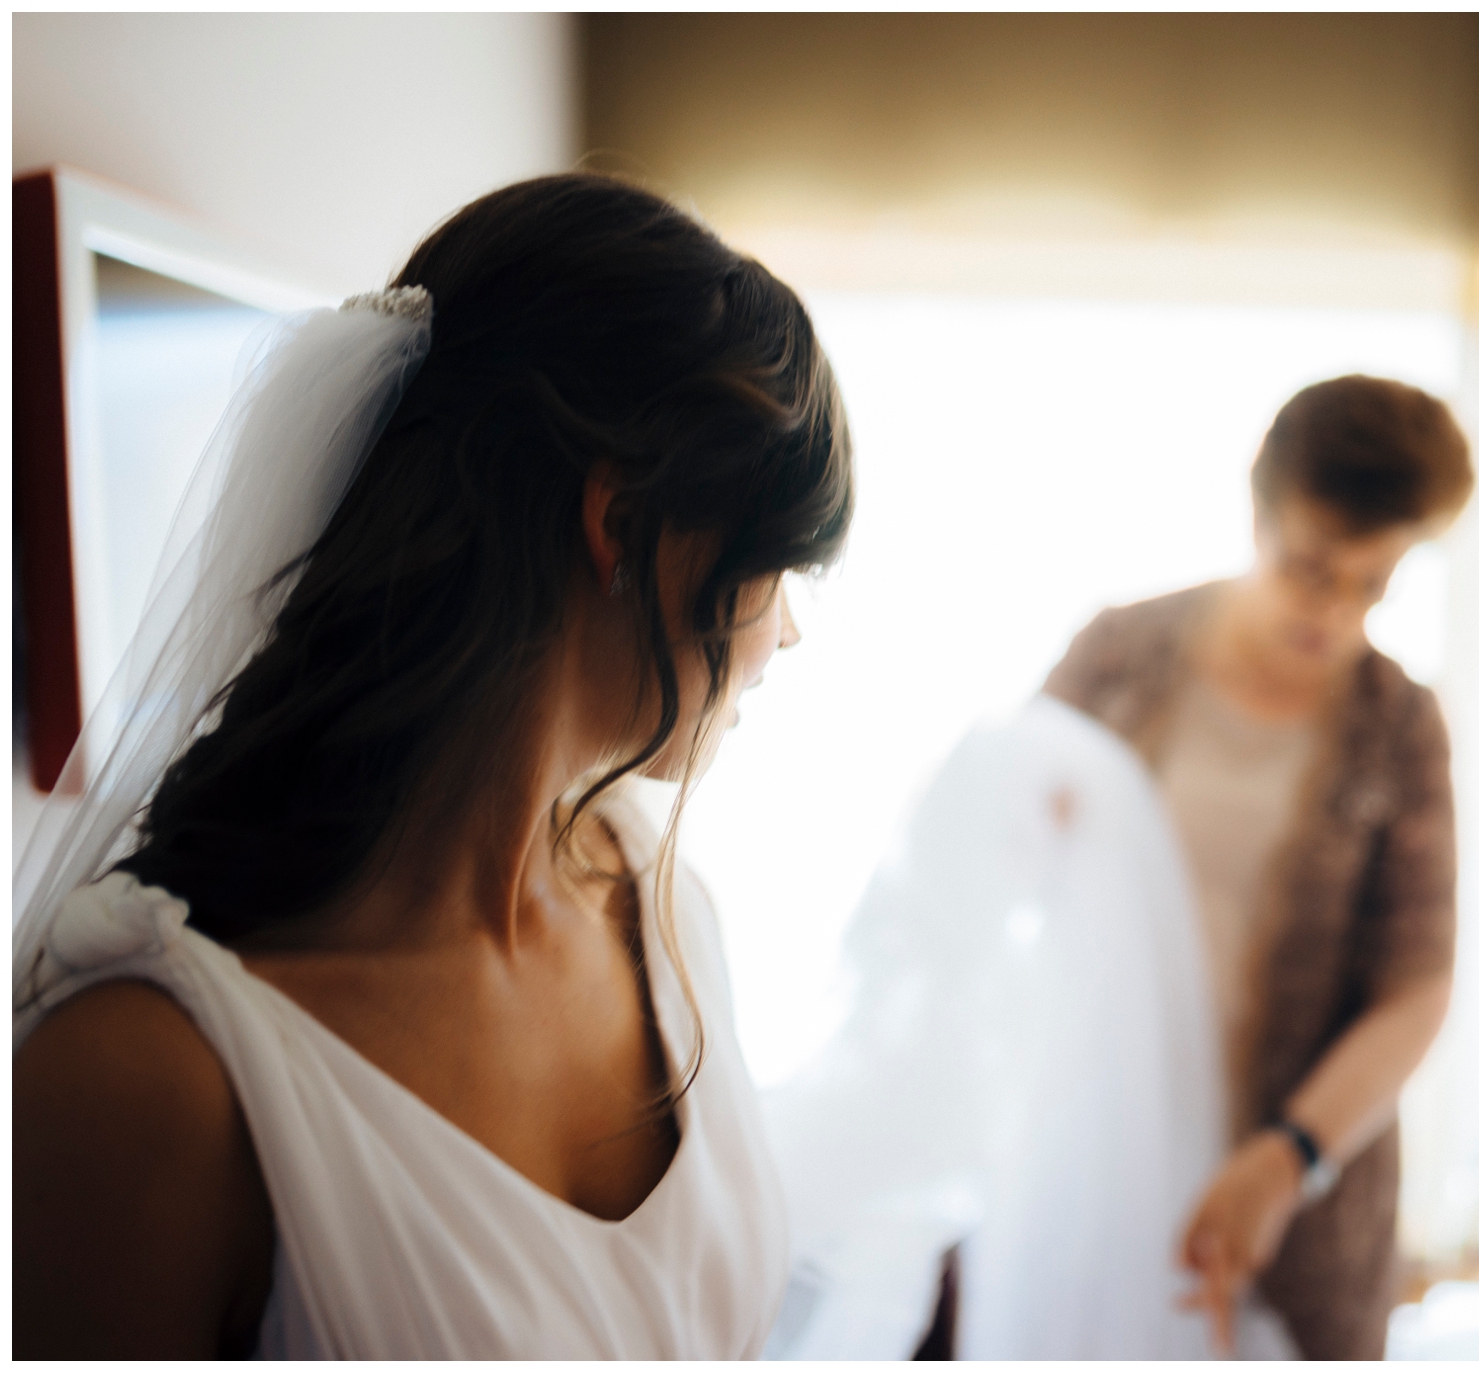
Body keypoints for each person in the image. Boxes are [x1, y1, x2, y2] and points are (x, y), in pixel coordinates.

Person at [13, 174, 854, 1357]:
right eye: (779, 564)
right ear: (621, 528)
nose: (787, 632)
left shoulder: (668, 911)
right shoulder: (150, 1087)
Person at [1044, 374, 1473, 1359]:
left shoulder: (1399, 725)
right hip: (1098, 1153)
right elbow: (993, 867)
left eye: (1371, 583)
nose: (1333, 612)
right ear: (1257, 512)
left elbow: (1416, 987)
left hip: (1299, 1194)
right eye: (1308, 566)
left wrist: (1290, 1160)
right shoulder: (1117, 655)